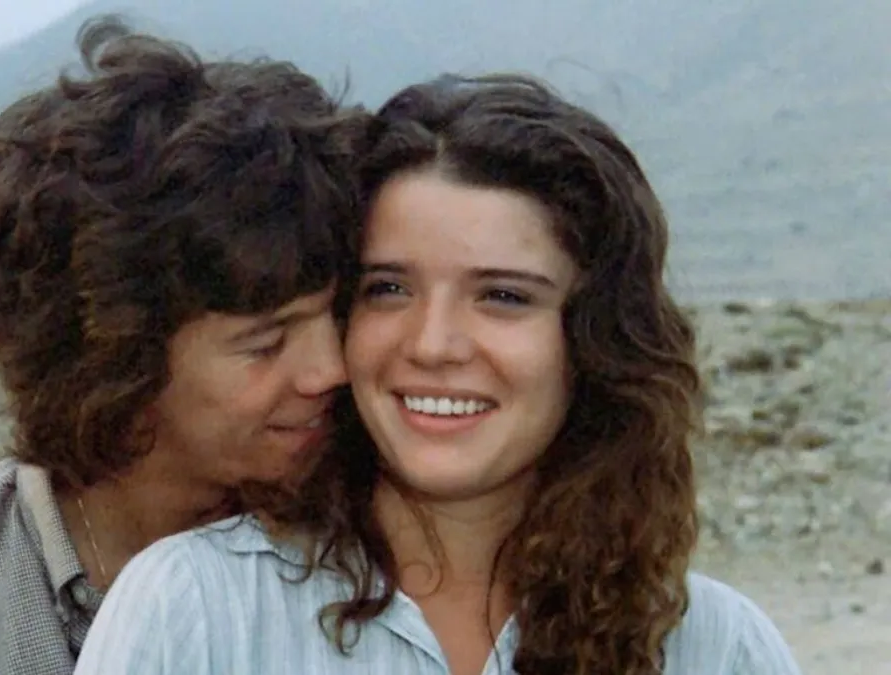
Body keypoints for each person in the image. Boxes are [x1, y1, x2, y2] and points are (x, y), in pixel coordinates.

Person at [72, 74, 804, 674]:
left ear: (595, 340)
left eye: (503, 296)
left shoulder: (713, 646)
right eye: (389, 288)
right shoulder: (196, 609)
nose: (433, 344)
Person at [0, 15, 366, 675]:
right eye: (266, 342)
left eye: (336, 316)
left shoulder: (384, 554)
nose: (332, 369)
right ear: (116, 361)